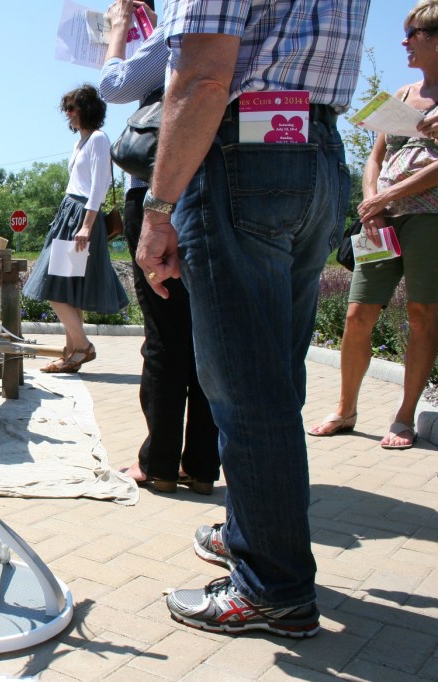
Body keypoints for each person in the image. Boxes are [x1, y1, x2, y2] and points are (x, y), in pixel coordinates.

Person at [135, 1, 369, 636]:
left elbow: (207, 75)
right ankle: (252, 534)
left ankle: (273, 589)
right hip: (315, 148)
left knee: (245, 389)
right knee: (273, 378)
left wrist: (158, 210)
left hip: (242, 151)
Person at [98, 0, 219, 494]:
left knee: (166, 334)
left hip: (158, 193)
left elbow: (114, 85)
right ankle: (202, 464)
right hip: (215, 185)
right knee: (210, 333)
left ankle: (160, 461)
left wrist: (116, 34)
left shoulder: (175, 27)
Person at [309, 0, 438, 451]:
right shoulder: (402, 96)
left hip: (429, 219)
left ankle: (404, 417)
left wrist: (389, 196)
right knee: (356, 313)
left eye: (414, 34)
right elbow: (376, 155)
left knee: (422, 315)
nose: (404, 42)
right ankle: (346, 409)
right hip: (380, 220)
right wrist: (371, 199)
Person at [21, 84, 128, 374]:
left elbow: (98, 187)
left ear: (85, 110)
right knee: (67, 290)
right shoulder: (80, 142)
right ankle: (71, 355)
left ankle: (82, 347)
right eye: (66, 109)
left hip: (81, 216)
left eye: (71, 109)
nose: (67, 114)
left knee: (53, 286)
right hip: (69, 213)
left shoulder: (98, 139)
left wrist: (86, 225)